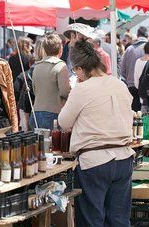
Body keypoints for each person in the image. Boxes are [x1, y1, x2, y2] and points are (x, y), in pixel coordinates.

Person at [58, 40, 135, 227]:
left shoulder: (82, 89)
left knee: (92, 220)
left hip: (95, 162)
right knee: (118, 220)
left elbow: (63, 122)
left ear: (78, 69)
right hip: (124, 157)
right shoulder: (119, 85)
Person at [29, 33, 71, 131]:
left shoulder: (37, 66)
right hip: (53, 113)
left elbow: (35, 90)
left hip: (35, 113)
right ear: (60, 49)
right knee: (54, 145)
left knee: (39, 145)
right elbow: (65, 92)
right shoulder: (61, 66)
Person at [121, 26, 148, 111]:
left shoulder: (129, 49)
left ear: (137, 35)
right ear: (147, 35)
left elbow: (122, 70)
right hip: (146, 89)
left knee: (135, 117)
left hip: (132, 86)